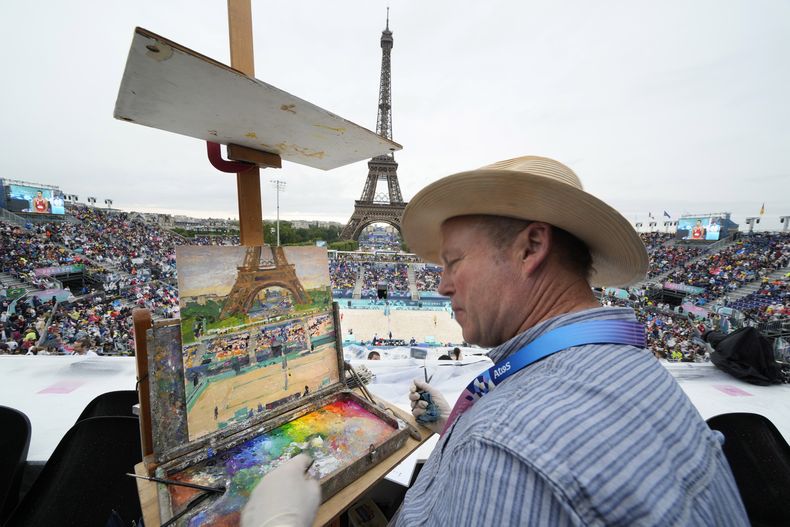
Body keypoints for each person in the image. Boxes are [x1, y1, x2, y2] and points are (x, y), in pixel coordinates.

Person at [241, 156, 747, 526]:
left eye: (454, 261)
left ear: (530, 248)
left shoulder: (506, 446)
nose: (440, 284)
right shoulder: (628, 365)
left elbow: (522, 456)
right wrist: (454, 427)